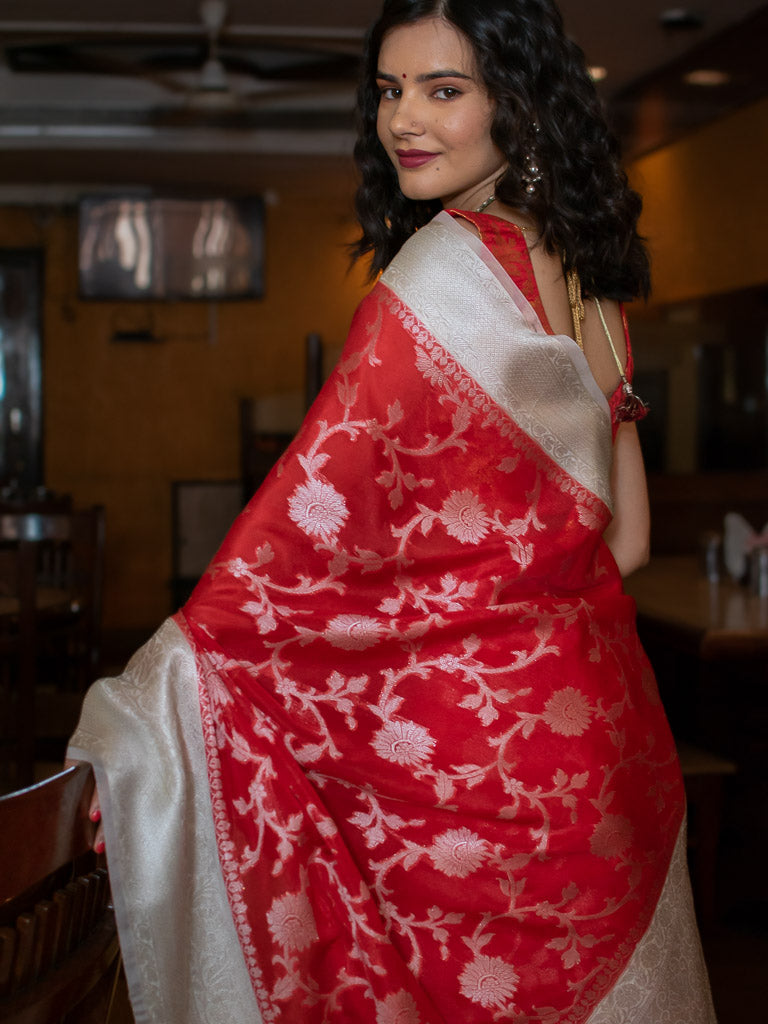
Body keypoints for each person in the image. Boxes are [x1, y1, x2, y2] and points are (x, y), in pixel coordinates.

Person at [68, 1, 717, 1020]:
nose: (403, 119)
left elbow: (291, 550)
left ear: (522, 105)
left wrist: (155, 710)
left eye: (443, 90)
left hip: (476, 786)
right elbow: (624, 543)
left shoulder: (437, 283)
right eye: (389, 89)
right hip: (605, 755)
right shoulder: (593, 278)